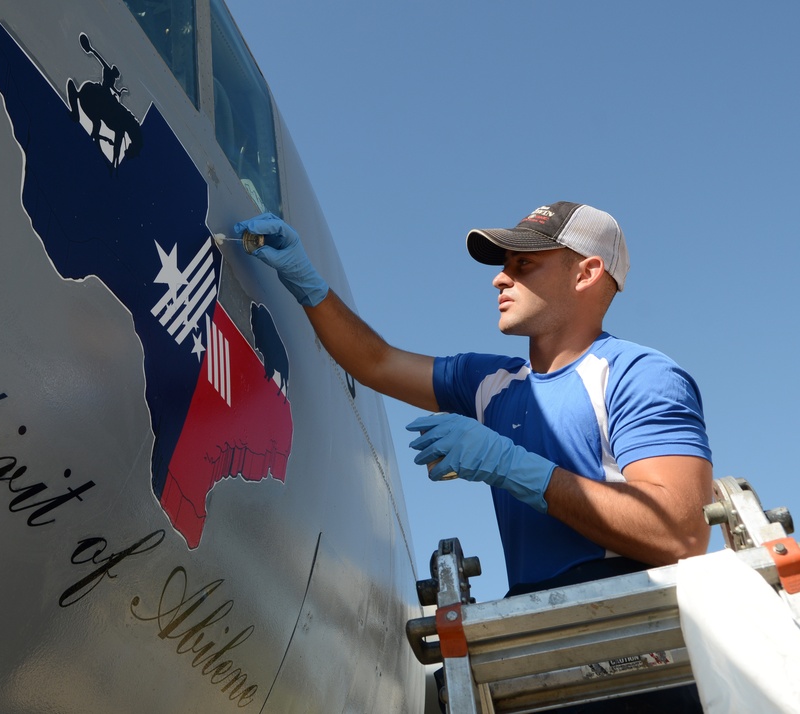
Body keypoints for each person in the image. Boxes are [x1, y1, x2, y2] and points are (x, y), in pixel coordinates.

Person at [234, 201, 712, 712]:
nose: (500, 279)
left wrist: (512, 465)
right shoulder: (490, 381)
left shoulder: (639, 374)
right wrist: (308, 284)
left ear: (587, 272)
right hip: (538, 641)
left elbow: (680, 532)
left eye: (524, 264)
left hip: (637, 651)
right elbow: (376, 361)